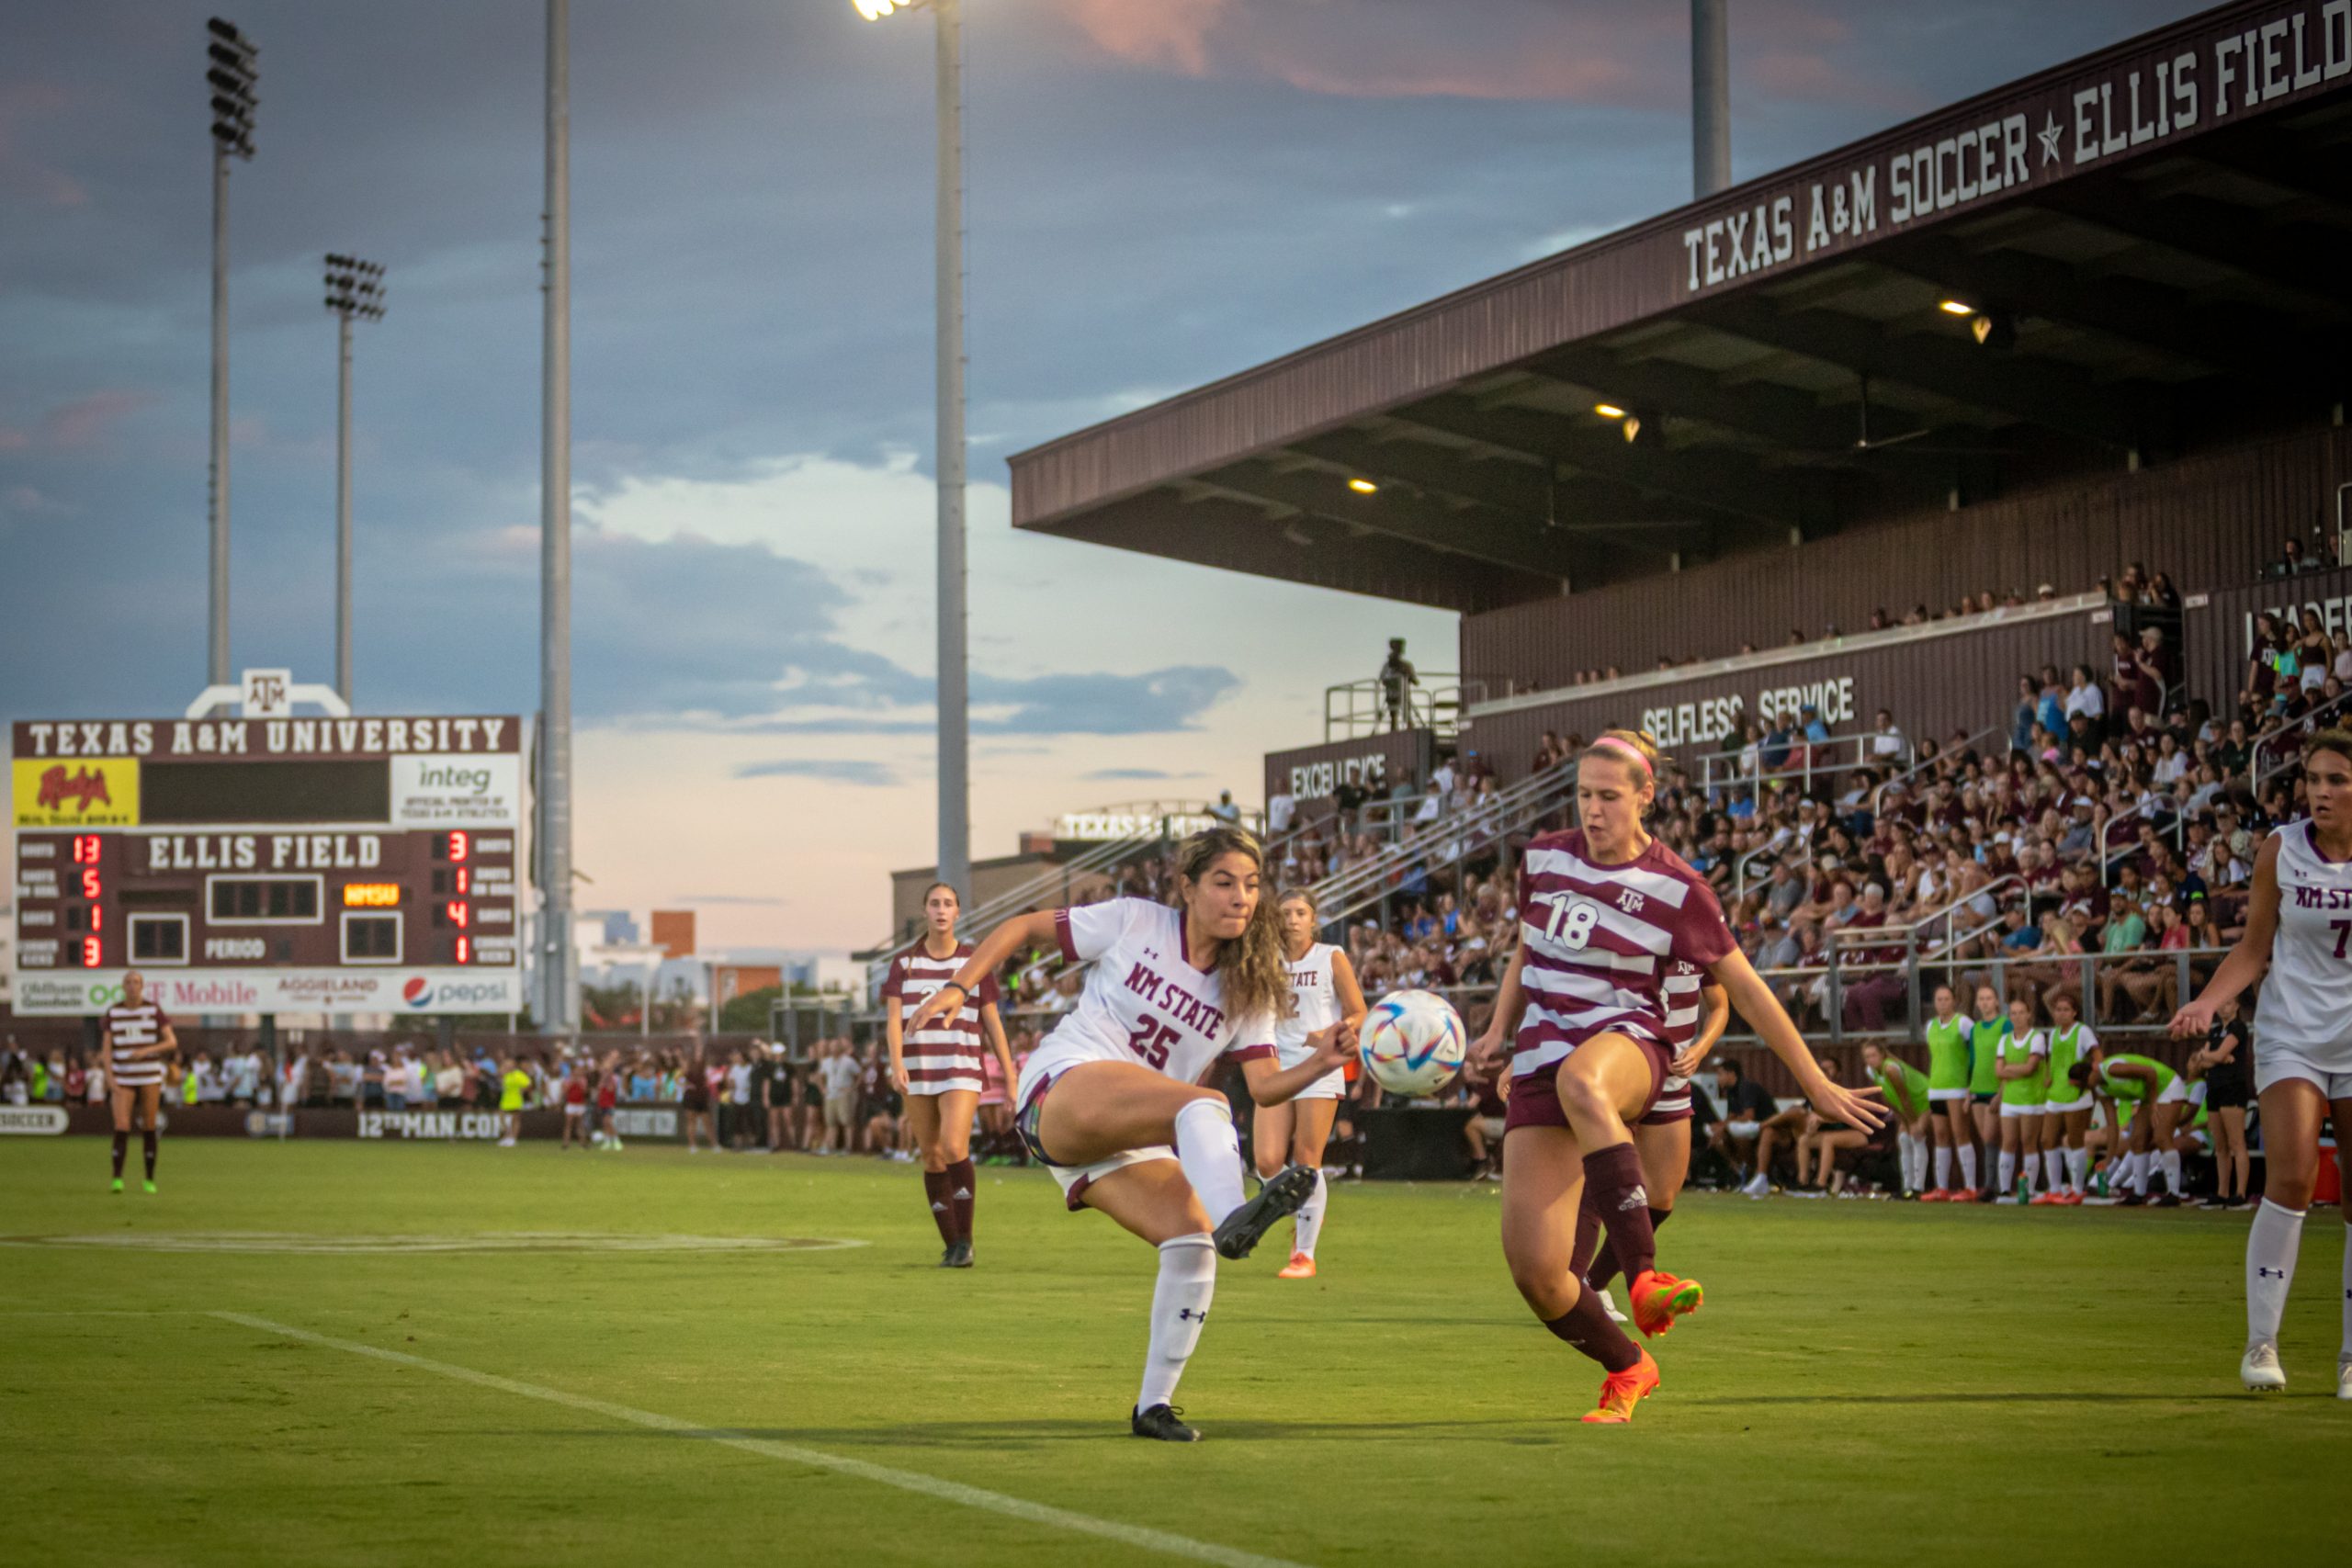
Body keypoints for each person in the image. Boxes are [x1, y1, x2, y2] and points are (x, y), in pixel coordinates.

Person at [1465, 728, 1883, 1425]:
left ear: (1645, 797)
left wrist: (1813, 1080)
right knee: (1538, 1275)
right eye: (1583, 795)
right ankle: (1629, 1365)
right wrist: (1498, 1029)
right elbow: (1526, 946)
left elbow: (1744, 990)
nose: (1593, 810)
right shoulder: (1541, 858)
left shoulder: (1680, 887)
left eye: (1608, 796)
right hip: (1543, 1053)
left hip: (1633, 1042)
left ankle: (1645, 1277)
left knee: (1588, 1087)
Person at [904, 827, 1348, 1441]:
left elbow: (1269, 1086)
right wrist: (959, 983)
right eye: (1223, 882)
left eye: (1251, 885)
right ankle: (1237, 1217)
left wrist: (1324, 1060)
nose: (1241, 896)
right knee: (1206, 1103)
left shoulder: (1248, 986)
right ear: (1187, 887)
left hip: (1125, 1138)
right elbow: (1022, 928)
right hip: (1061, 1088)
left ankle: (1153, 1404)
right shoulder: (1136, 920)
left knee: (1191, 1242)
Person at [2169, 729, 2352, 1396]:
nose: (2321, 791)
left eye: (2337, 779)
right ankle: (2262, 1344)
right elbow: (2252, 948)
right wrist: (2208, 1001)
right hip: (2292, 1032)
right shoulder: (2282, 848)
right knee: (2295, 1177)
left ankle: (2351, 1360)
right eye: (2314, 778)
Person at [1575, 964, 1730, 1320]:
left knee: (1660, 1198)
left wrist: (1701, 1049)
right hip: (1624, 1072)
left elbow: (1720, 1004)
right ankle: (1574, 1287)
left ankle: (1592, 1284)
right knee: (1605, 1181)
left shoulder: (1695, 934)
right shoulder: (1629, 928)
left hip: (1673, 1081)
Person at [884, 883, 1020, 1267]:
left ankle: (966, 1241)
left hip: (960, 1067)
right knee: (930, 1156)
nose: (941, 910)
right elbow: (894, 1019)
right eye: (934, 903)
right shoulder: (905, 963)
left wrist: (1010, 1077)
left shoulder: (973, 962)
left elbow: (992, 1022)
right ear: (925, 911)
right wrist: (897, 1064)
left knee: (953, 1147)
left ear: (958, 913)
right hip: (918, 1067)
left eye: (948, 904)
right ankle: (953, 1244)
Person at [1255, 887, 1368, 1280]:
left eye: (1301, 912)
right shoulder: (1265, 961)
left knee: (1307, 1156)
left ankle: (1303, 1254)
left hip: (1318, 1064)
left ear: (1313, 919)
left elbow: (1359, 1012)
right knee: (1267, 1161)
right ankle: (1299, 1211)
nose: (1293, 919)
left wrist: (1334, 1032)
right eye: (1286, 912)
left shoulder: (1331, 956)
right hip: (1274, 1064)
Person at [100, 971, 175, 1195]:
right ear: (123, 986)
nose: (132, 986)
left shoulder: (153, 1010)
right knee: (122, 1125)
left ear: (142, 986)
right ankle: (117, 1178)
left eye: (136, 982)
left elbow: (171, 1041)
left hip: (149, 1075)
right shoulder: (114, 1012)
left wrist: (147, 1050)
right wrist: (109, 1077)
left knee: (149, 1125)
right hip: (123, 1076)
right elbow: (106, 1050)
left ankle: (149, 1178)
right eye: (128, 982)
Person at [2083, 1051, 2188, 1206]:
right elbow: (2112, 1125)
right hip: (2149, 1094)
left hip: (2167, 1086)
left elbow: (2150, 1073)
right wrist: (2109, 1159)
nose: (2086, 1086)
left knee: (2161, 1137)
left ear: (2092, 1070)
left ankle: (2174, 1193)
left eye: (2084, 1081)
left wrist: (2153, 1104)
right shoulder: (2100, 1089)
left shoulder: (2112, 1068)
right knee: (2137, 1140)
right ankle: (2139, 1194)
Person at [2186, 998, 2252, 1209]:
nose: (2224, 1008)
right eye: (2221, 1004)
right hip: (2213, 1088)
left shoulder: (2238, 1028)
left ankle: (2240, 1192)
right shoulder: (2214, 1031)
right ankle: (2222, 1192)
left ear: (2237, 1006)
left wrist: (2212, 1056)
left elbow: (2216, 1053)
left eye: (2229, 1004)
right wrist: (2216, 1058)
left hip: (2232, 1088)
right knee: (2220, 1145)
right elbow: (2200, 1063)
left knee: (2236, 1143)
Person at [1919, 984, 1980, 1201]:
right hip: (1936, 1087)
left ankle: (1970, 1186)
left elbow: (1974, 1053)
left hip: (1957, 1087)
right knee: (1940, 1135)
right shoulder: (1930, 1026)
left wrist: (1969, 1086)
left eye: (1946, 999)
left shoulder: (1963, 1023)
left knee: (1960, 1133)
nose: (1942, 1003)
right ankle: (1942, 1187)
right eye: (1939, 999)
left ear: (1954, 1001)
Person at [2034, 991, 2097, 1204]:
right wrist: (2048, 1077)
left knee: (2075, 1140)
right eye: (2058, 1010)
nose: (2061, 1014)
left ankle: (2077, 1188)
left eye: (2066, 1010)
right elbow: (2052, 1060)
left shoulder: (2083, 1032)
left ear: (2075, 1012)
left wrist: (2087, 1079)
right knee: (2047, 1139)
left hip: (2075, 1095)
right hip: (2056, 1093)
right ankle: (2054, 1188)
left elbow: (2097, 1057)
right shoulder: (2054, 1034)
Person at [1994, 996, 2051, 1201]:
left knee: (2029, 1142)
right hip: (2010, 1099)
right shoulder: (2005, 1039)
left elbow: (2030, 1068)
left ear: (2029, 1015)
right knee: (2008, 1141)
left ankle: (2031, 1188)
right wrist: (2014, 1070)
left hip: (2031, 1099)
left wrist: (2010, 1068)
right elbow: (1998, 1072)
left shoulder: (2037, 1038)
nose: (2017, 1017)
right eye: (2013, 1013)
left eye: (2021, 1013)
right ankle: (2005, 1188)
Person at [1861, 1041, 1932, 1197]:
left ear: (1882, 1055)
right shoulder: (1871, 1071)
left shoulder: (1890, 1068)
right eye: (1867, 1057)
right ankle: (1906, 1186)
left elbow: (1904, 1096)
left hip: (1924, 1098)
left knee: (1917, 1136)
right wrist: (1902, 1121)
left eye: (1873, 1055)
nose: (1870, 1060)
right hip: (1907, 1105)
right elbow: (1889, 1096)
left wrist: (1912, 1122)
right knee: (1903, 1139)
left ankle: (1918, 1188)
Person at [1703, 1056, 1775, 1186]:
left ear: (1731, 1074)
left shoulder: (1746, 1088)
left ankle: (1753, 1170)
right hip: (1748, 1130)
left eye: (1720, 1074)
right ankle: (1738, 1170)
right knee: (1719, 1141)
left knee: (1739, 1138)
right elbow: (1732, 1115)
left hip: (1765, 1129)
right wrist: (1719, 1126)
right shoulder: (1731, 1092)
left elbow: (1749, 1116)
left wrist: (1724, 1127)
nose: (1717, 1078)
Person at [679, 1052, 716, 1153]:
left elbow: (708, 1081)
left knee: (707, 1121)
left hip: (702, 1097)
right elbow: (682, 1077)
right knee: (691, 1121)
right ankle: (692, 1145)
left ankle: (714, 1144)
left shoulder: (705, 1069)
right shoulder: (688, 1068)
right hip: (691, 1097)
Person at [1379, 637, 1418, 729]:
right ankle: (1394, 730)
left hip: (1404, 693)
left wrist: (1405, 673)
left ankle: (1410, 727)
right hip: (1392, 694)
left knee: (1406, 712)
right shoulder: (1387, 666)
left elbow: (1415, 681)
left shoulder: (1407, 665)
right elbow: (1383, 680)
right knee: (1393, 714)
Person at [497, 1056, 530, 1147]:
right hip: (506, 1099)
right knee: (502, 1117)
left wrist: (522, 1091)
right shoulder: (506, 1075)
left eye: (509, 1064)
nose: (508, 1066)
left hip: (515, 1099)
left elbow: (528, 1084)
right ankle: (507, 1136)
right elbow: (500, 1077)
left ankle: (513, 1138)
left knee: (515, 1119)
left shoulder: (518, 1074)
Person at [560, 1059, 591, 1149]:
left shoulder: (583, 1080)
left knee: (580, 1124)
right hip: (571, 1103)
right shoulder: (567, 1079)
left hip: (580, 1103)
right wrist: (572, 1082)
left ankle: (583, 1142)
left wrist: (579, 1083)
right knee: (568, 1124)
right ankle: (566, 1143)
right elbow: (565, 1091)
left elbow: (585, 1091)